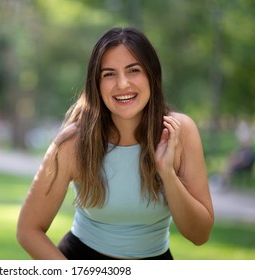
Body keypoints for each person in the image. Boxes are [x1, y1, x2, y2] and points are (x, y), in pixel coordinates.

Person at [16, 27, 214, 260]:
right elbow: (28, 230)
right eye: (109, 74)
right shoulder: (73, 142)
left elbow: (199, 235)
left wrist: (167, 173)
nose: (122, 84)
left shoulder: (179, 132)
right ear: (96, 84)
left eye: (133, 70)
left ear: (152, 74)